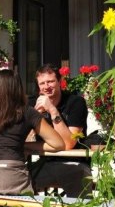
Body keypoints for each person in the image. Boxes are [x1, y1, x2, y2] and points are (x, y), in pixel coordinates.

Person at [0, 70, 65, 195]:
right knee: (36, 205)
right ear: (18, 88)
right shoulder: (27, 112)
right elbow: (58, 144)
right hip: (13, 177)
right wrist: (23, 145)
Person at [28, 64, 94, 197]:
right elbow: (23, 140)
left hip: (75, 163)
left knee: (79, 181)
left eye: (51, 81)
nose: (46, 87)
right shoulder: (32, 104)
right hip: (46, 162)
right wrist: (34, 116)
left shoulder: (76, 102)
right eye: (42, 83)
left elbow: (69, 144)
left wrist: (52, 110)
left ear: (59, 81)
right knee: (20, 178)